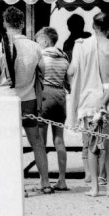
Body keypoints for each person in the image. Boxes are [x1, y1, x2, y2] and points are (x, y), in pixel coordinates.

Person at [0, 7, 52, 194]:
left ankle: (17, 186)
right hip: (28, 99)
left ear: (5, 23)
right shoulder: (35, 47)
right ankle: (46, 182)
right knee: (36, 142)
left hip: (7, 99)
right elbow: (42, 74)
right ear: (22, 23)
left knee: (9, 144)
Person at [67, 11, 109, 198]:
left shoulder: (82, 46)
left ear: (93, 26)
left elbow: (72, 71)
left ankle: (94, 188)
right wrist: (105, 100)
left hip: (89, 94)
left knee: (92, 144)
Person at [35, 27, 71, 191]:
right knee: (59, 140)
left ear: (46, 41)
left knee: (40, 141)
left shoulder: (41, 56)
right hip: (60, 95)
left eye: (38, 40)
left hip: (45, 94)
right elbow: (68, 82)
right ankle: (62, 180)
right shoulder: (64, 58)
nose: (36, 43)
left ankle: (45, 181)